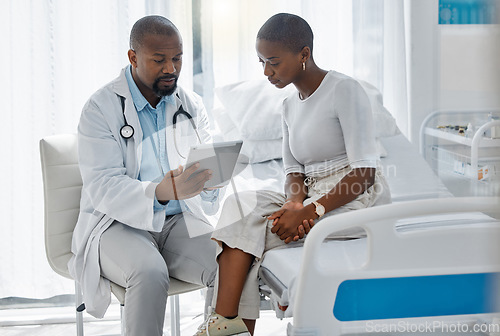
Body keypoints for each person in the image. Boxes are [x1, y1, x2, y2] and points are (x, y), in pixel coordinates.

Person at [194, 13, 391, 336]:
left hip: (354, 196)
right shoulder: (288, 105)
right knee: (239, 209)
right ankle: (228, 324)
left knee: (251, 237)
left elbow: (365, 172)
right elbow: (292, 170)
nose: (266, 72)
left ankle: (225, 323)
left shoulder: (344, 90)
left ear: (304, 54)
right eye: (261, 62)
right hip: (310, 195)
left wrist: (313, 210)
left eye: (273, 62)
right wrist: (294, 203)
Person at [69, 15, 220, 336]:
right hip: (117, 225)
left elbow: (205, 173)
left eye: (177, 58)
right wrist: (161, 191)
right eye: (159, 59)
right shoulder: (101, 108)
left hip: (178, 221)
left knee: (230, 263)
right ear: (133, 57)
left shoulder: (190, 105)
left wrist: (211, 181)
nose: (171, 68)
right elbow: (103, 187)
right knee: (149, 271)